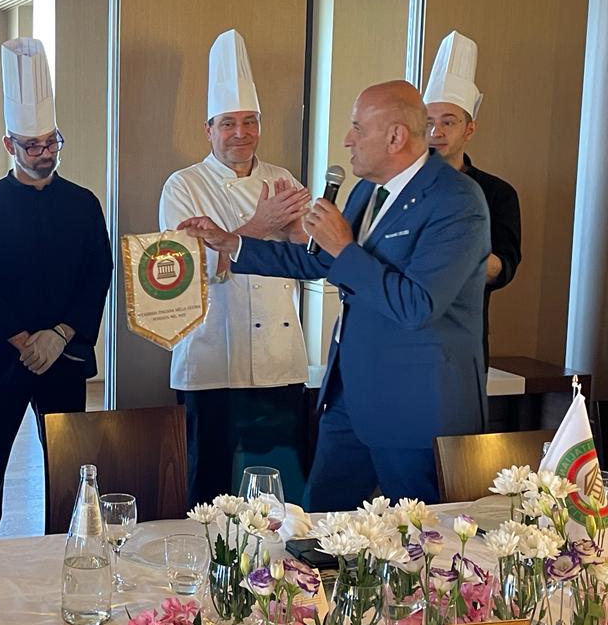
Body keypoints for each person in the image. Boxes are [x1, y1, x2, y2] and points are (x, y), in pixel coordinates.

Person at [181, 80, 489, 510]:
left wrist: (343, 247)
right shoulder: (368, 189)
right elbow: (322, 260)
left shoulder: (456, 201)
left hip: (413, 405)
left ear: (396, 137)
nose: (347, 140)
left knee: (420, 538)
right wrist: (233, 244)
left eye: (358, 128)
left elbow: (416, 305)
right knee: (318, 527)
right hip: (348, 399)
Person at [0, 37, 112, 541]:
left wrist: (60, 334)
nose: (45, 154)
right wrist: (26, 341)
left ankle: (70, 548)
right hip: (3, 358)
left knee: (69, 464)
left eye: (52, 143)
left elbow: (98, 272)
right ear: (9, 145)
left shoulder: (83, 203)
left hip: (64, 356)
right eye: (33, 145)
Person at [159, 29, 310, 506]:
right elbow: (182, 275)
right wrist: (262, 227)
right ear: (208, 129)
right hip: (210, 360)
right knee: (210, 491)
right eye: (228, 123)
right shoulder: (182, 186)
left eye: (249, 122)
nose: (240, 133)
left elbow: (309, 260)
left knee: (280, 493)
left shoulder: (283, 179)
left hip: (279, 361)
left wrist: (290, 233)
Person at [423, 30, 521, 366]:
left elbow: (504, 269)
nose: (436, 132)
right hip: (399, 335)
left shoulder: (497, 193)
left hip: (461, 339)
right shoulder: (399, 186)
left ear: (470, 129)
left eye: (448, 122)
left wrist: (460, 252)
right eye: (428, 122)